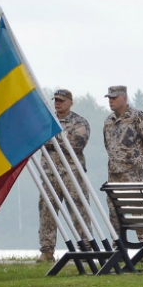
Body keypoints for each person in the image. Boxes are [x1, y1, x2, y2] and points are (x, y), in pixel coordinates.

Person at [38, 89, 91, 262]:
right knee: (47, 211)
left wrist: (53, 139)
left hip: (72, 175)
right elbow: (39, 138)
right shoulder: (47, 120)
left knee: (79, 210)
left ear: (70, 102)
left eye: (61, 100)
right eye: (56, 100)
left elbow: (76, 144)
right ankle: (47, 251)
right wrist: (61, 138)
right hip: (50, 174)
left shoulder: (79, 122)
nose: (57, 103)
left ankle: (85, 249)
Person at [102, 85, 143, 238]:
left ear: (124, 98)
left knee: (139, 209)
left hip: (134, 174)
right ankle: (118, 245)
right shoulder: (108, 121)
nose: (111, 101)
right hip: (114, 175)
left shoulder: (137, 117)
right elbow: (108, 146)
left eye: (114, 98)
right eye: (109, 98)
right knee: (114, 210)